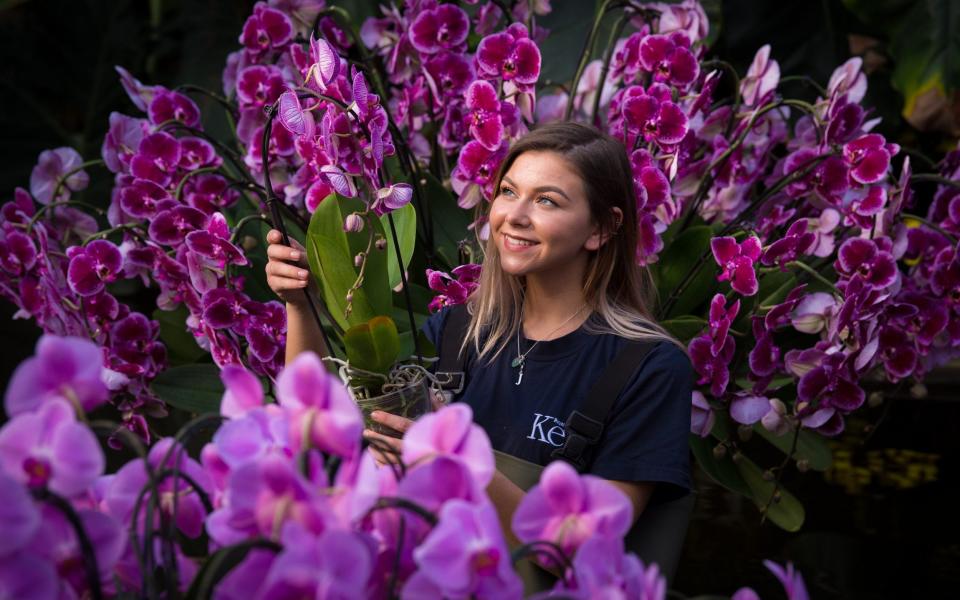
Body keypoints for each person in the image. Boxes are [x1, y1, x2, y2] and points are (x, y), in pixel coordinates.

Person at [266, 121, 693, 581]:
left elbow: (581, 550)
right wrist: (300, 305)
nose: (514, 215)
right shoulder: (456, 332)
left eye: (546, 200)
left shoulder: (646, 367)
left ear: (602, 228)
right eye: (509, 192)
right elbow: (316, 431)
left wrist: (455, 457)